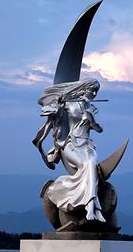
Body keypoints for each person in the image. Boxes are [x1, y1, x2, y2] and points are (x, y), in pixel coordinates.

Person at [32, 78, 105, 222]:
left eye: (96, 91)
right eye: (92, 89)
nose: (94, 93)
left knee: (91, 164)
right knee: (87, 166)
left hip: (87, 145)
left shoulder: (92, 108)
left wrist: (91, 116)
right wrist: (55, 107)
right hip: (71, 144)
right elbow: (51, 113)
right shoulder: (69, 103)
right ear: (84, 88)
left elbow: (99, 129)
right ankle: (94, 207)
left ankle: (91, 206)